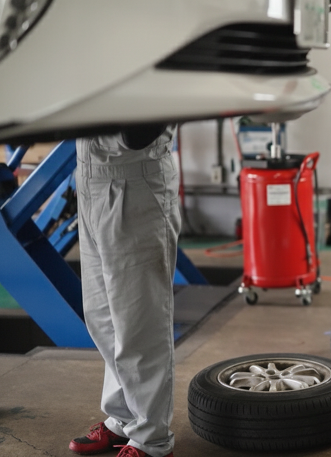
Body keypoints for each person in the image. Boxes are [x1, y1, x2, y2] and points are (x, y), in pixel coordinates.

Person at [69, 125, 180, 457]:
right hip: (90, 176)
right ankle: (124, 416)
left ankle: (152, 438)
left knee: (139, 321)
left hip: (133, 180)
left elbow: (139, 132)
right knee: (104, 316)